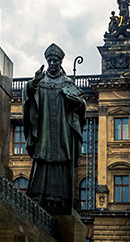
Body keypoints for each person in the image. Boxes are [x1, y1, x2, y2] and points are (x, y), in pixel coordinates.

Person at [23, 43, 86, 215]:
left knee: (61, 160)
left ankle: (62, 198)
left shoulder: (67, 83)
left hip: (62, 131)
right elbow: (28, 98)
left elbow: (82, 104)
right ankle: (39, 196)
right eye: (49, 60)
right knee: (43, 159)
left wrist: (77, 103)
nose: (52, 63)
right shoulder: (39, 82)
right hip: (44, 130)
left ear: (60, 62)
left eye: (55, 60)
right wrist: (34, 83)